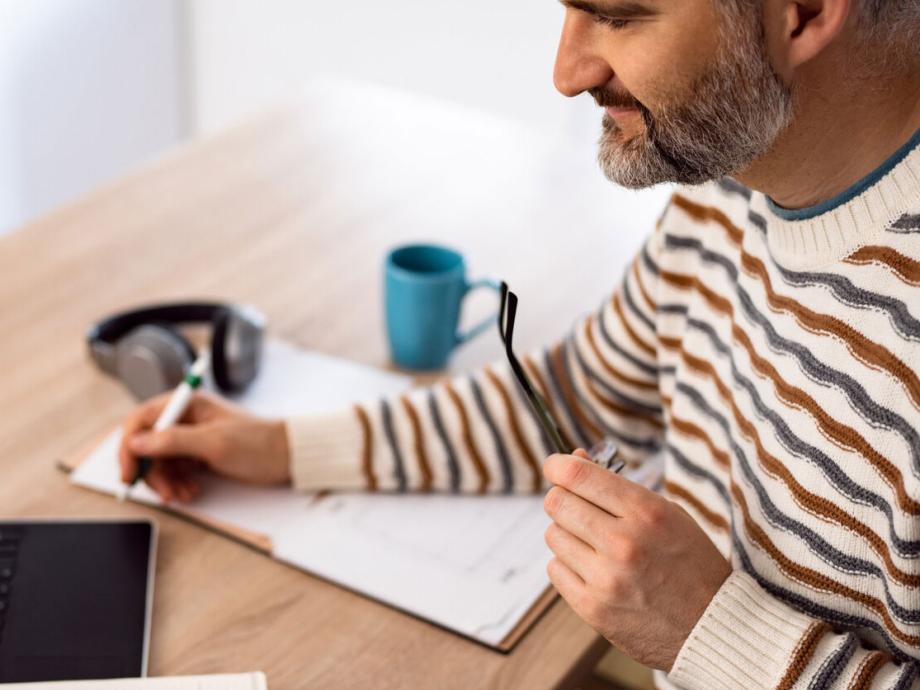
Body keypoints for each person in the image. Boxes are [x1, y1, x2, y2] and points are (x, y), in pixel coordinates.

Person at [118, 0, 920, 688]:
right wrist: (283, 448)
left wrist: (710, 633)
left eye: (617, 14)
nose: (566, 72)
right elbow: (577, 396)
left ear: (807, 10)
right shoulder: (728, 185)